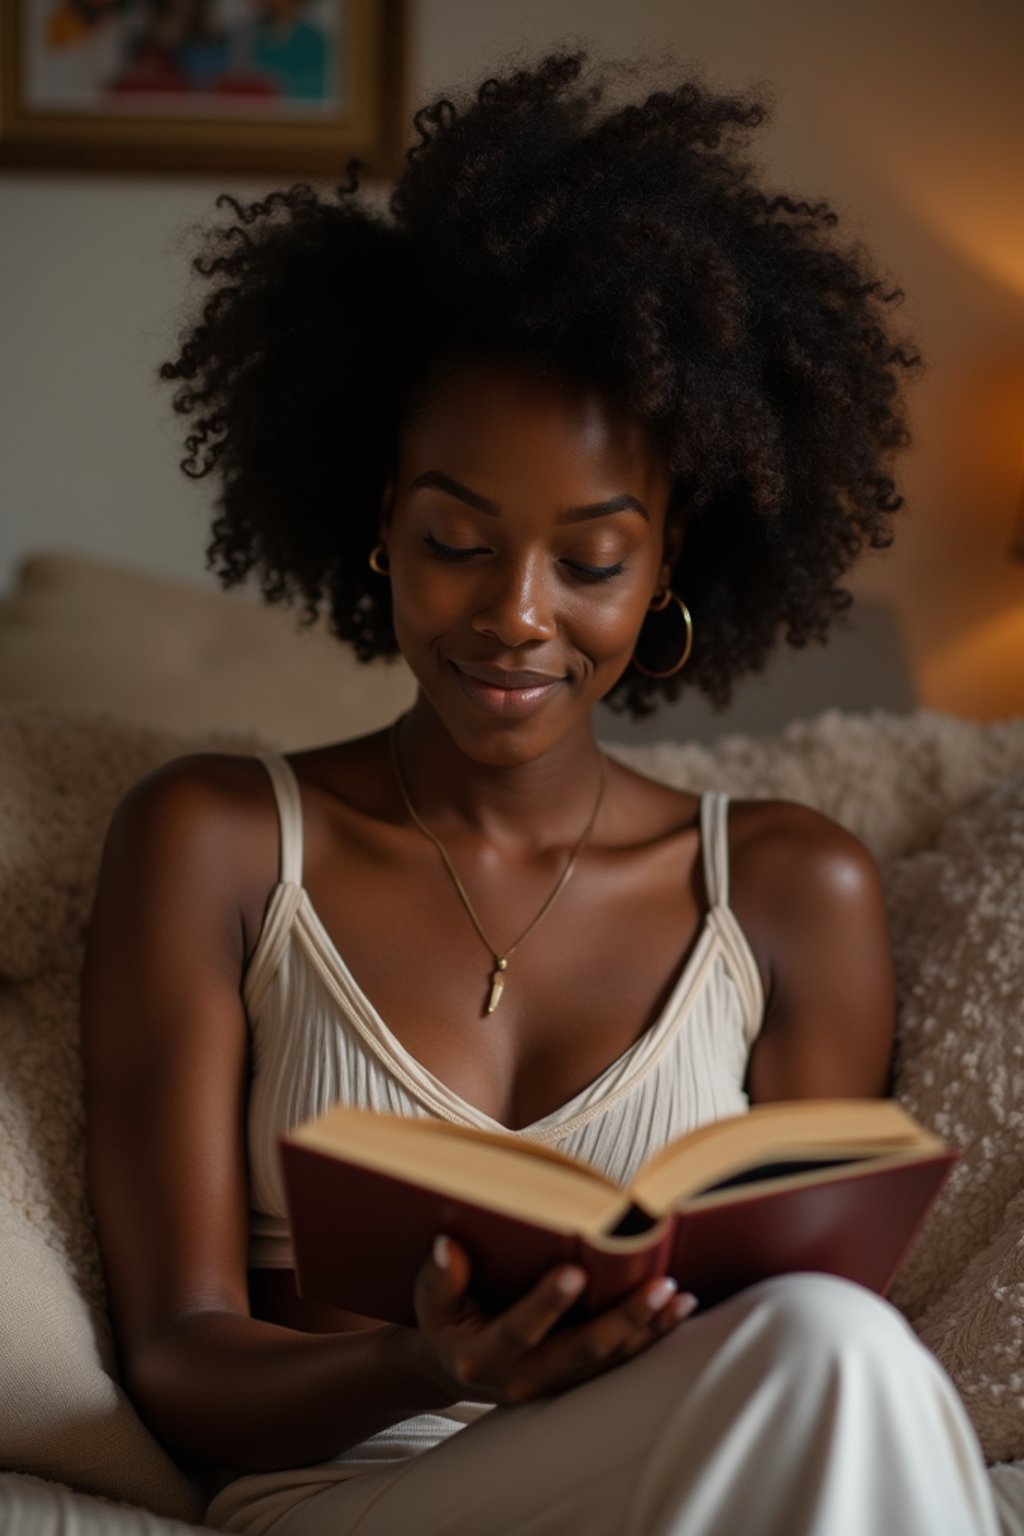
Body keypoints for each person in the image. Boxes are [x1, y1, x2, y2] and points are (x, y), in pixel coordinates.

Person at [80, 49, 1002, 1536]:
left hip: (691, 1478)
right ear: (378, 524)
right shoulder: (219, 841)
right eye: (458, 540)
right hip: (348, 1495)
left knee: (839, 1349)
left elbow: (806, 1329)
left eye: (589, 560)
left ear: (667, 562)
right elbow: (177, 1361)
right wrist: (428, 1361)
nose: (518, 614)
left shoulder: (788, 891)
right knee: (837, 1356)